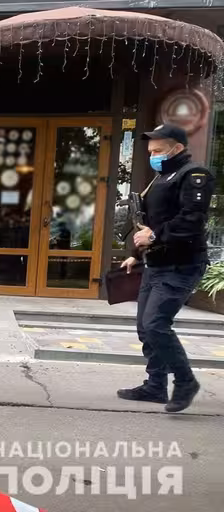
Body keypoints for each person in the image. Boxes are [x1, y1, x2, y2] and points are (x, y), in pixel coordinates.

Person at [119, 123, 215, 413]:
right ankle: (155, 386)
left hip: (182, 265)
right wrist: (137, 254)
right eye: (151, 152)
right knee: (145, 328)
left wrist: (154, 237)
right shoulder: (160, 177)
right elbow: (151, 222)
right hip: (156, 263)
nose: (153, 156)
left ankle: (185, 381)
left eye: (158, 151)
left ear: (177, 148)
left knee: (156, 324)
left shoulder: (194, 176)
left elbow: (191, 220)